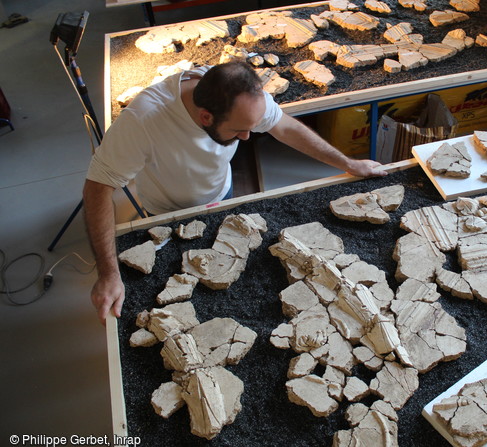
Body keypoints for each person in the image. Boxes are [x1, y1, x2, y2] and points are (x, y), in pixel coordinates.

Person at [83, 61, 387, 324]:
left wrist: (348, 163)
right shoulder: (144, 121)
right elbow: (97, 187)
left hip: (221, 195)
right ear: (206, 117)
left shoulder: (242, 97)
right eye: (239, 130)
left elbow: (285, 127)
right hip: (168, 212)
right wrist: (109, 273)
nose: (246, 137)